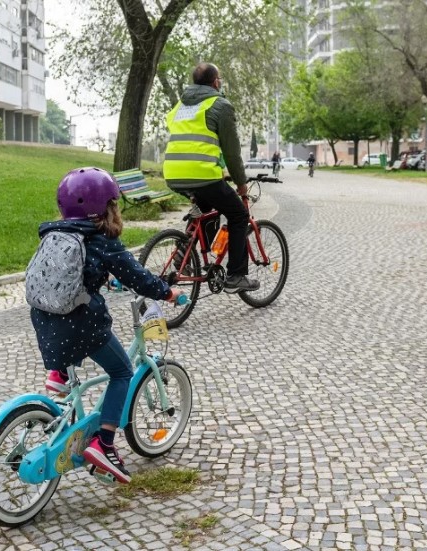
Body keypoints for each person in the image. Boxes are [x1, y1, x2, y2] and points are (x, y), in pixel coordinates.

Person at [34, 167, 183, 484]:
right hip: (82, 323)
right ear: (105, 208)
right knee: (122, 372)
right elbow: (138, 278)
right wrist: (168, 292)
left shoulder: (56, 234)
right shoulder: (102, 241)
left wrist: (105, 278)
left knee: (69, 335)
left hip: (44, 317)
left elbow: (68, 277)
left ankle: (58, 373)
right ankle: (104, 444)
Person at [162, 62, 259, 292]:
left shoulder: (180, 107)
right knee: (238, 215)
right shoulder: (220, 105)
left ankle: (183, 256)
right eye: (220, 79)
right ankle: (236, 276)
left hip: (174, 174)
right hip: (202, 175)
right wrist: (241, 182)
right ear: (216, 82)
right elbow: (232, 151)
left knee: (205, 210)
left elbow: (192, 140)